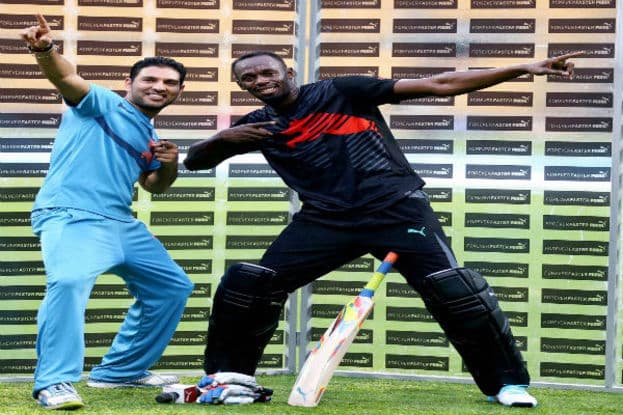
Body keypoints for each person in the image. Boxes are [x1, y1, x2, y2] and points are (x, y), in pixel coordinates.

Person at [183, 50, 580, 408]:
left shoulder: (341, 91)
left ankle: (507, 385)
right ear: (241, 86)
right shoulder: (258, 124)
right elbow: (195, 162)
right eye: (248, 79)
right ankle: (228, 380)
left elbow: (440, 84)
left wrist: (523, 68)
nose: (260, 81)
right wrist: (223, 138)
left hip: (397, 211)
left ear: (288, 72)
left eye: (267, 73)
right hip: (325, 220)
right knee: (251, 284)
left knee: (454, 290)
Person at [20, 14, 195, 410]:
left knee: (172, 288)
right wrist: (44, 50)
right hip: (72, 214)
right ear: (128, 84)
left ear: (179, 91)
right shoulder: (102, 104)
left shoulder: (151, 134)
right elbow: (67, 78)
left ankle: (120, 370)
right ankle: (54, 382)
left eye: (169, 83)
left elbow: (154, 186)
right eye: (150, 80)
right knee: (68, 282)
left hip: (121, 222)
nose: (159, 87)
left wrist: (170, 163)